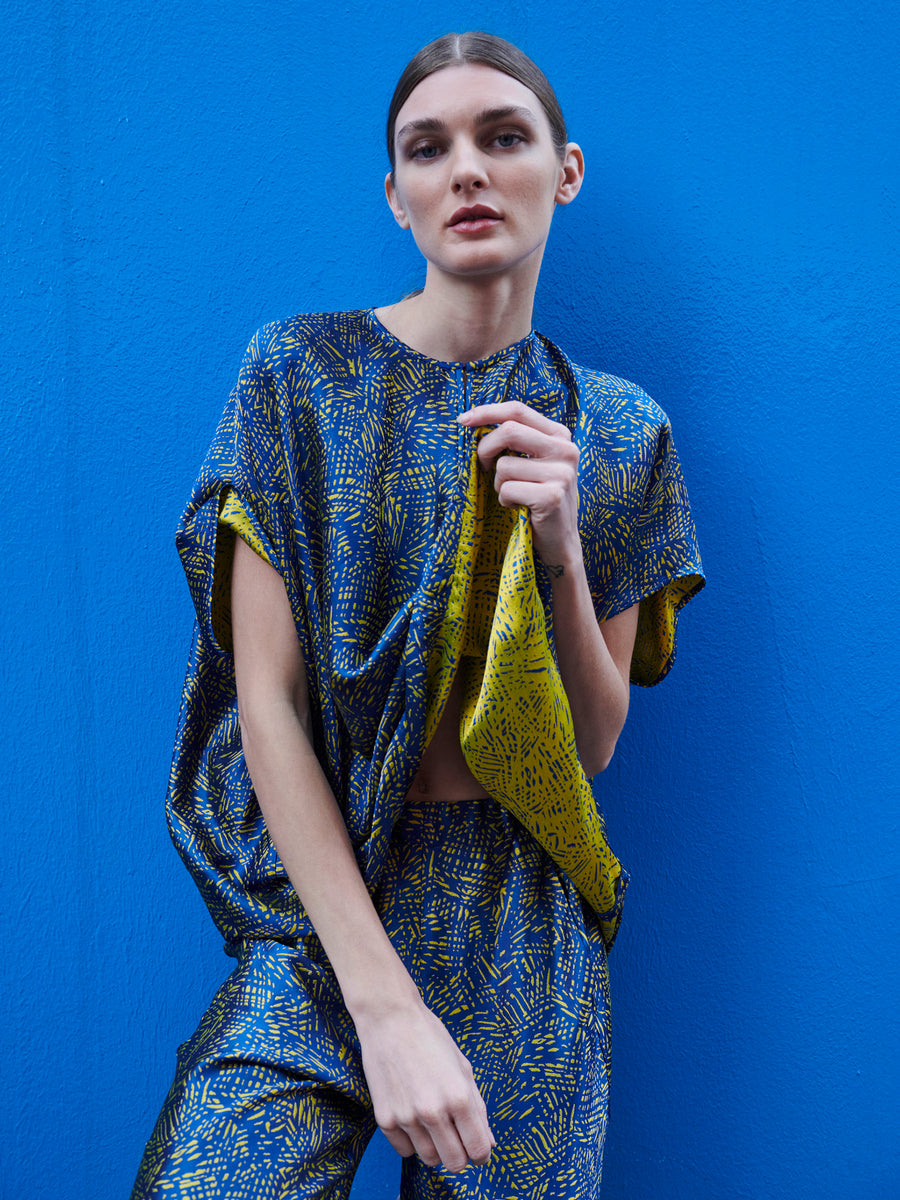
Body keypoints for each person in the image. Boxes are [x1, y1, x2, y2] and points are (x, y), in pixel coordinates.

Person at [132, 30, 703, 1200]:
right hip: (324, 897)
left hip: (522, 917)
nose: (469, 172)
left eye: (505, 138)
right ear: (395, 195)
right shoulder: (298, 374)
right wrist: (382, 1004)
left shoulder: (621, 429)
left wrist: (558, 542)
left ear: (567, 169)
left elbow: (591, 746)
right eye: (428, 149)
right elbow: (267, 702)